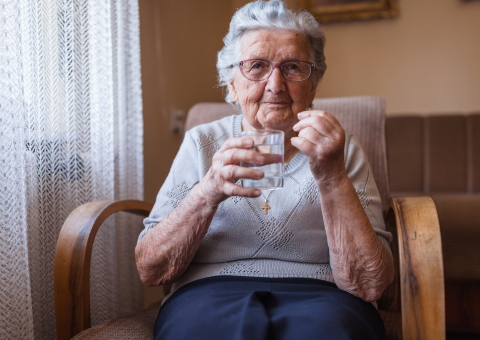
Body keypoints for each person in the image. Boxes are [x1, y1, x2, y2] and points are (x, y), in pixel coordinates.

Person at [135, 1, 394, 339]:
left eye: (292, 67)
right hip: (208, 293)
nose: (275, 84)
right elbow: (151, 269)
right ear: (231, 83)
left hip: (325, 296)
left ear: (313, 83)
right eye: (257, 66)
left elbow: (372, 283)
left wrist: (332, 176)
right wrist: (209, 188)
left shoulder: (339, 148)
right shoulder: (203, 143)